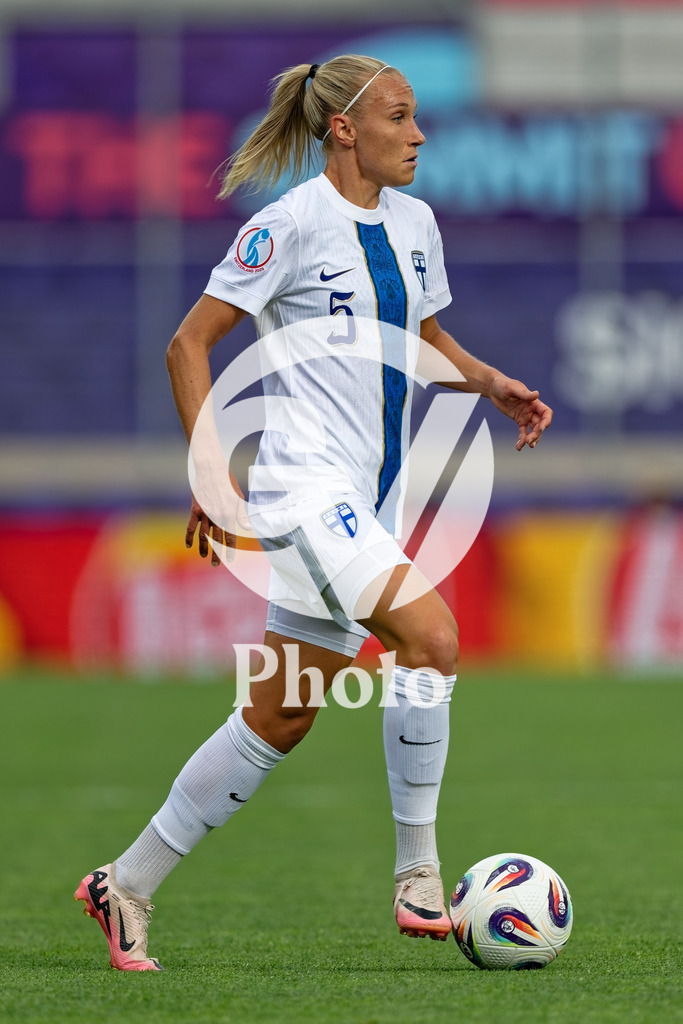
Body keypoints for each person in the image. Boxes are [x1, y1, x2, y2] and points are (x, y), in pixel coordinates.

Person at [74, 54, 552, 972]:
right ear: (345, 129)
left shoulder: (414, 224)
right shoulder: (288, 225)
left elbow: (417, 336)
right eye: (400, 118)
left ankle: (123, 883)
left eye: (416, 120)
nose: (418, 136)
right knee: (432, 640)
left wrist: (490, 383)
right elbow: (188, 343)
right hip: (302, 492)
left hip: (368, 501)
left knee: (279, 716)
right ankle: (419, 875)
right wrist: (210, 471)